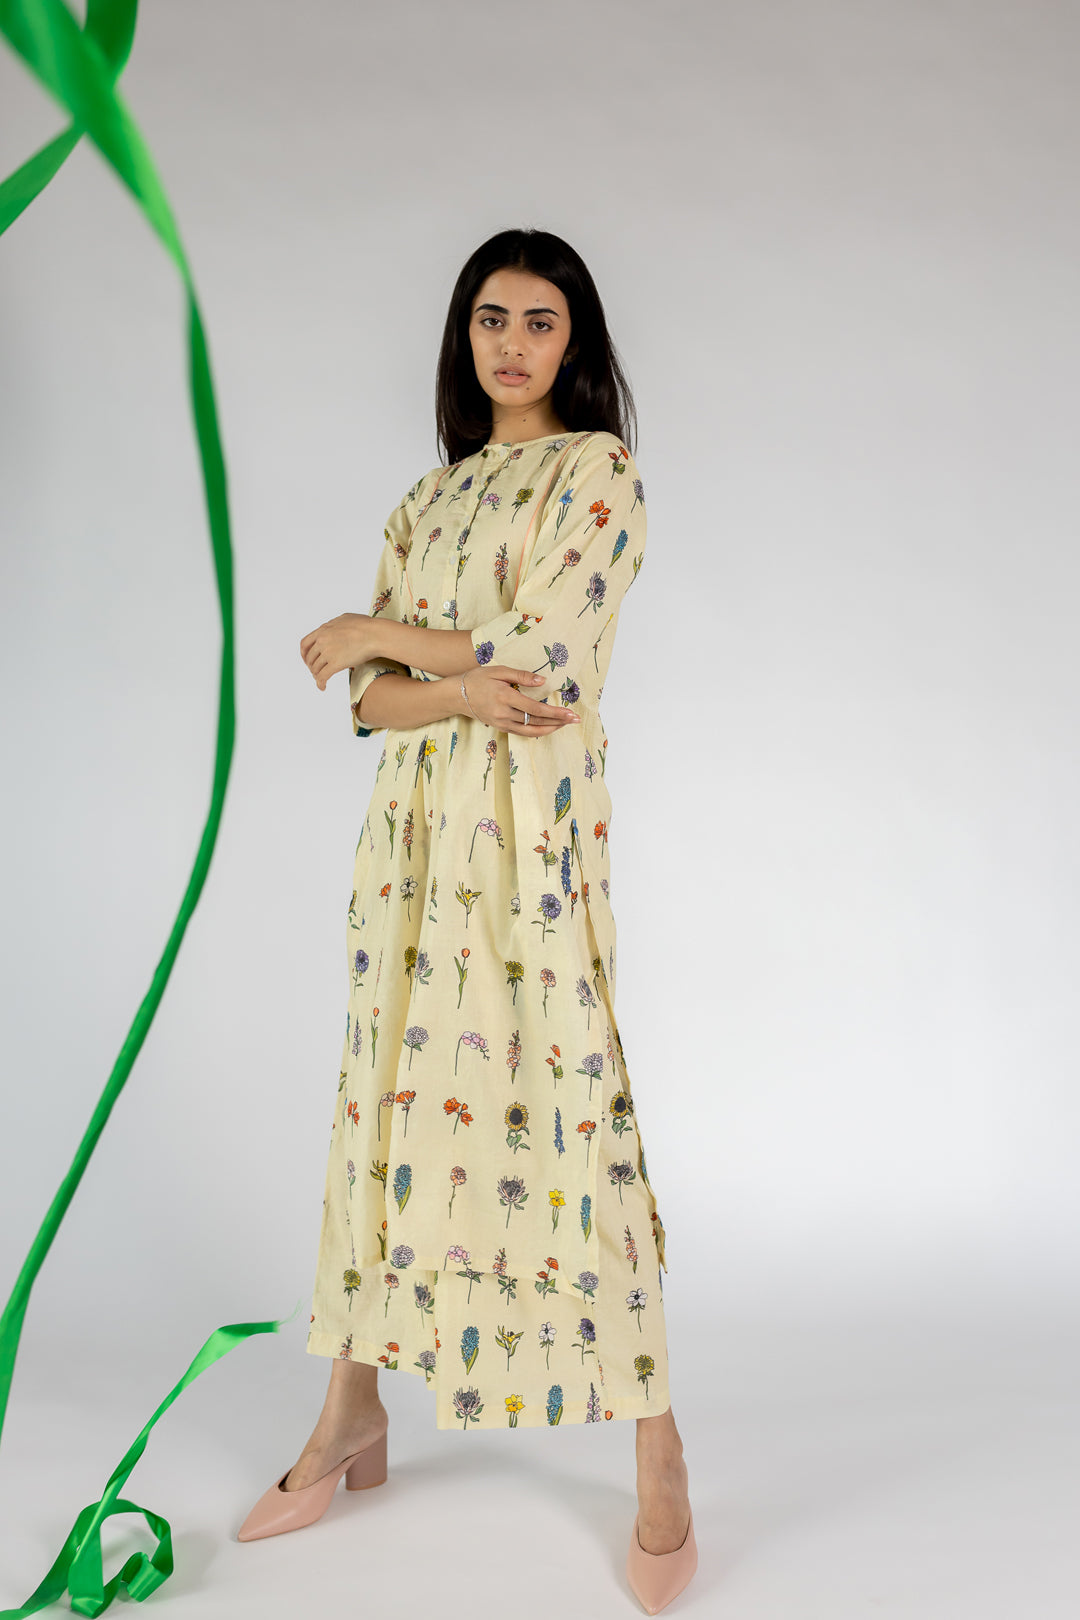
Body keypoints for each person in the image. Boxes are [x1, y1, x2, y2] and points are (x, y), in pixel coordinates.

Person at [238, 229, 697, 1612]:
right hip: (413, 848)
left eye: (540, 321)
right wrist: (439, 678)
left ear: (577, 341)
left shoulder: (598, 474)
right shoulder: (427, 502)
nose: (513, 344)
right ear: (465, 335)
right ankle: (350, 1410)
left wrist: (378, 633)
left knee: (571, 1106)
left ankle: (660, 1451)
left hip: (532, 836)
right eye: (492, 318)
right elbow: (369, 704)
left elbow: (548, 661)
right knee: (386, 1100)